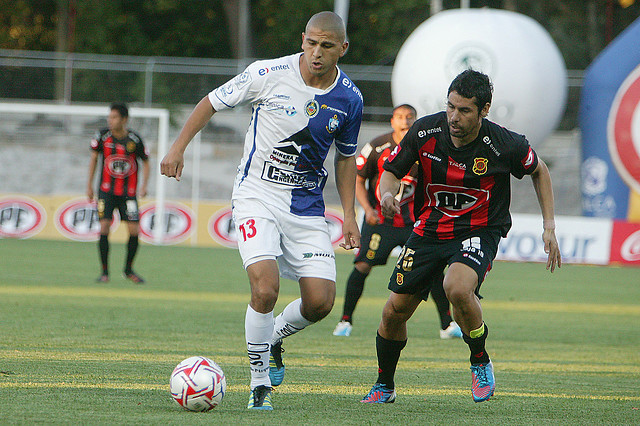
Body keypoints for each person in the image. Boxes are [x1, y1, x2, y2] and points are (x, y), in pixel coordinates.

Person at [160, 11, 363, 411]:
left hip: (306, 206)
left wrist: (351, 215)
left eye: (326, 46)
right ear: (302, 39)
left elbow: (345, 159)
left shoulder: (350, 99)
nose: (316, 53)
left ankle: (272, 338)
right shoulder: (267, 73)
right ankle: (259, 386)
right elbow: (212, 101)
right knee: (265, 287)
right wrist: (177, 146)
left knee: (321, 302)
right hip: (256, 193)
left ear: (343, 48)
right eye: (311, 43)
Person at [361, 69, 561, 404]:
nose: (454, 117)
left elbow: (539, 170)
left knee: (456, 287)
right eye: (451, 107)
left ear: (484, 110)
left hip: (479, 230)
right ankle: (385, 385)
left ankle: (479, 359)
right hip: (429, 229)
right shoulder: (425, 130)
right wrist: (386, 196)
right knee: (394, 311)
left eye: (464, 110)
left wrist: (549, 226)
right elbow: (391, 172)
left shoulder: (504, 144)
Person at [332, 104, 462, 340]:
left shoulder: (428, 147)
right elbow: (359, 179)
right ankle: (345, 321)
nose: (405, 122)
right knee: (362, 266)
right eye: (400, 118)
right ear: (392, 121)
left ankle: (447, 324)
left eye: (410, 118)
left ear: (416, 121)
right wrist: (368, 209)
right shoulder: (377, 146)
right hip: (380, 221)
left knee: (433, 272)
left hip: (416, 223)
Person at [87, 102, 150, 284]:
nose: (110, 120)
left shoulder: (134, 140)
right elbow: (93, 159)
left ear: (124, 119)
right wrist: (89, 185)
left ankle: (128, 270)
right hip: (106, 191)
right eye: (109, 117)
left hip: (128, 193)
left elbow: (146, 162)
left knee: (134, 230)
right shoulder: (102, 136)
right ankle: (104, 272)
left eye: (114, 117)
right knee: (104, 227)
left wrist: (144, 185)